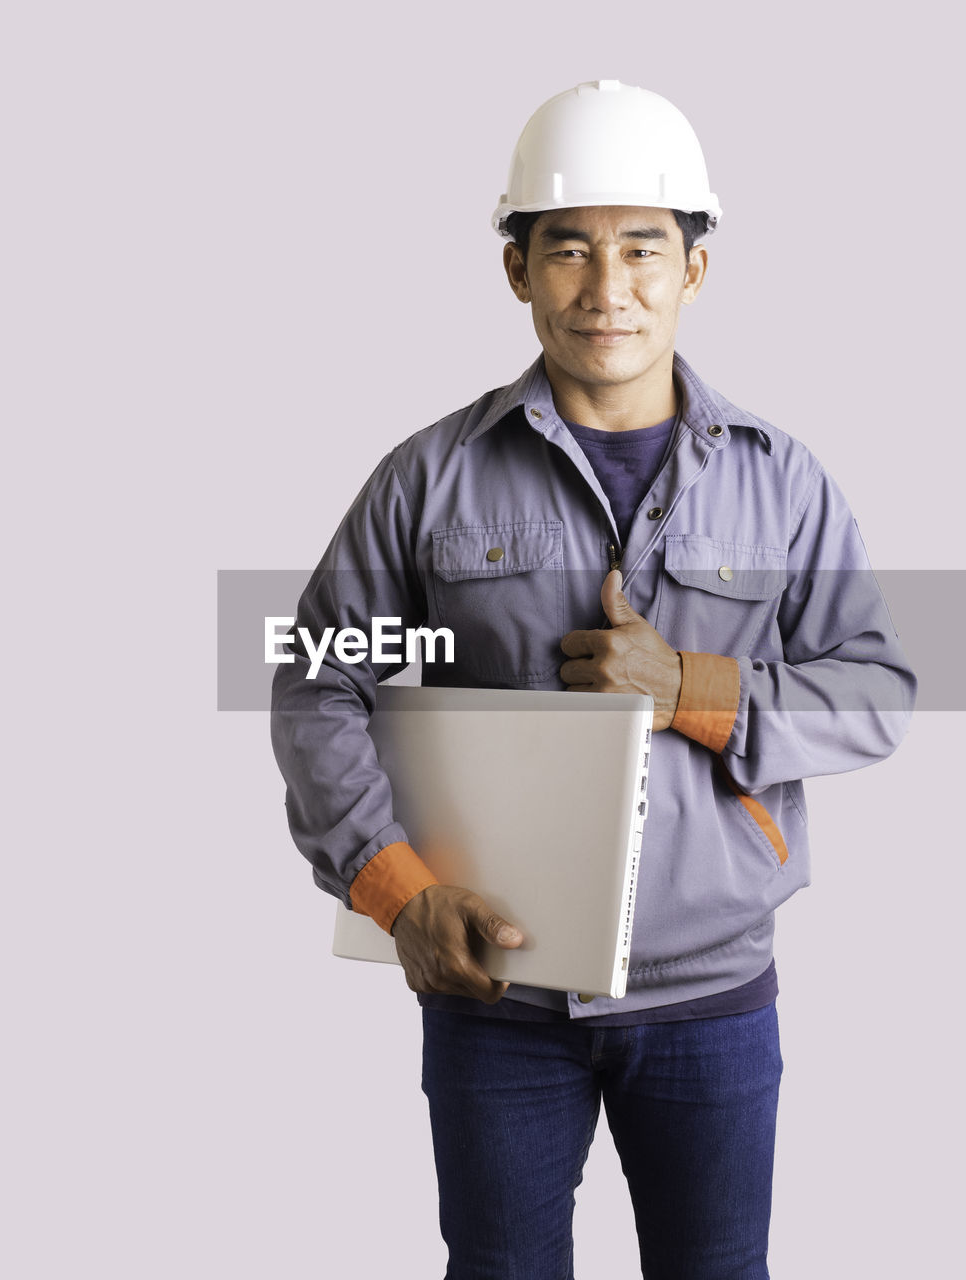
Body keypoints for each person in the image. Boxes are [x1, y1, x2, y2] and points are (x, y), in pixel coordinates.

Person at [270, 80, 916, 1279]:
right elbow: (316, 677)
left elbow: (881, 686)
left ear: (696, 270)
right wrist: (396, 887)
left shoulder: (783, 482)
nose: (606, 289)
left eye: (641, 250)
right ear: (516, 270)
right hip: (496, 993)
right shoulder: (430, 478)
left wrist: (693, 688)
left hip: (714, 998)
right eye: (567, 249)